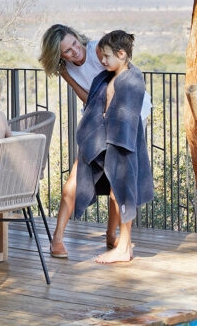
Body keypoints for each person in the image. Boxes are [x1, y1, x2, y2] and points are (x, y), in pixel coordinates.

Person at [39, 24, 151, 258]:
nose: (75, 52)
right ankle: (57, 238)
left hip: (126, 117)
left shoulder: (98, 50)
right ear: (59, 56)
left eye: (75, 44)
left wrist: (111, 93)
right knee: (77, 176)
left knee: (117, 179)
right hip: (98, 122)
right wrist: (68, 77)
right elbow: (88, 98)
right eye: (67, 51)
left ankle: (114, 237)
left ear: (78, 38)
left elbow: (121, 70)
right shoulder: (67, 68)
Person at [73, 30, 153, 263]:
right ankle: (123, 245)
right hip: (110, 143)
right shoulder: (110, 76)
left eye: (106, 56)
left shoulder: (131, 79)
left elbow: (126, 116)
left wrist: (113, 138)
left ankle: (124, 246)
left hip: (123, 144)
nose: (103, 61)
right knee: (117, 194)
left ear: (121, 54)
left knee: (124, 193)